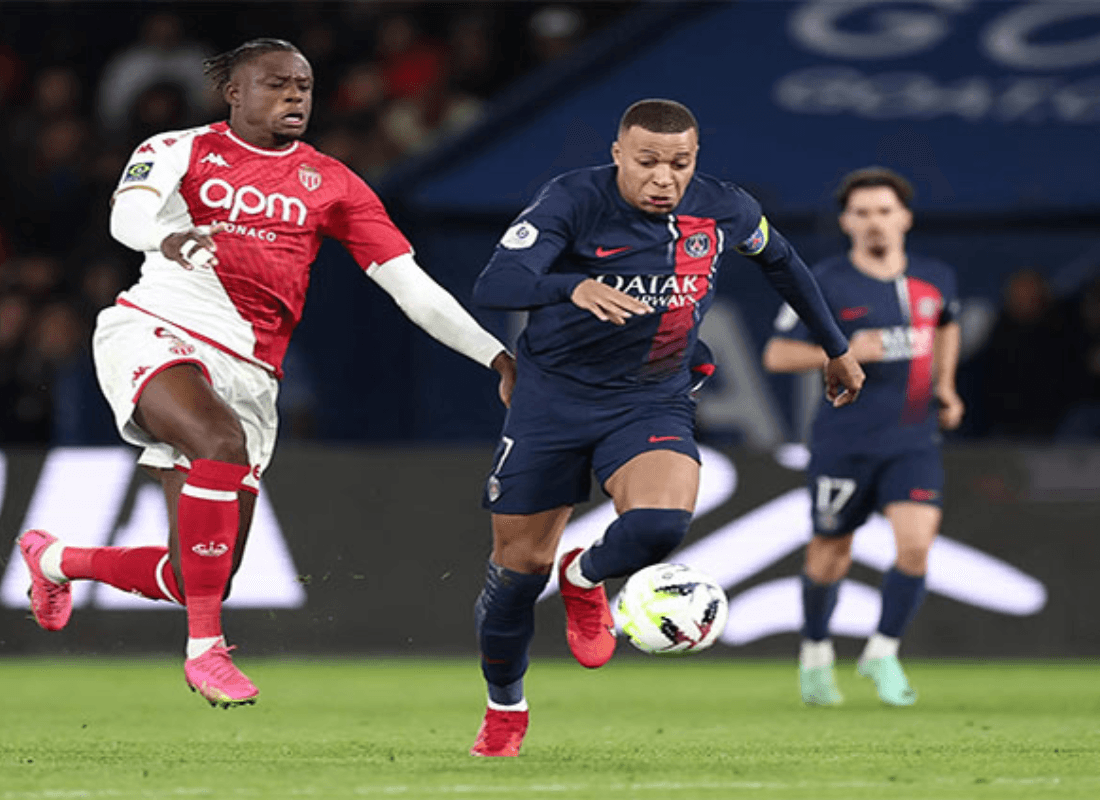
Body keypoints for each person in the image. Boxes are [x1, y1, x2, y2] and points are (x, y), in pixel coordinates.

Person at [17, 38, 515, 709]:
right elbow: (127, 215)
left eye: (304, 87)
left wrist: (497, 356)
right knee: (219, 444)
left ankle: (54, 560)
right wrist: (169, 237)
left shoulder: (333, 183)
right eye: (277, 84)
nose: (294, 97)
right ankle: (206, 653)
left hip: (252, 371)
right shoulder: (177, 149)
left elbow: (412, 287)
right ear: (235, 92)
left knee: (199, 574)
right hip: (158, 328)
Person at [467, 98, 865, 756]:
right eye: (647, 161)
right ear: (619, 154)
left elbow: (784, 262)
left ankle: (585, 576)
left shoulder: (725, 207)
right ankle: (505, 707)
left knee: (659, 526)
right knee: (516, 571)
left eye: (678, 164)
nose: (663, 177)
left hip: (650, 397)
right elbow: (497, 283)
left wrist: (835, 347)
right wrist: (571, 287)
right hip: (551, 401)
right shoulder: (571, 199)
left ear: (695, 161)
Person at [762, 166, 964, 707]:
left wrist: (946, 386)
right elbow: (777, 354)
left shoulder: (936, 276)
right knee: (830, 553)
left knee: (917, 546)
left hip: (913, 440)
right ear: (847, 222)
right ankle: (815, 654)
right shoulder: (824, 281)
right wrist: (845, 351)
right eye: (863, 212)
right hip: (844, 441)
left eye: (884, 211)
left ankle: (883, 650)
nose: (875, 222)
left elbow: (946, 324)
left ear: (905, 218)